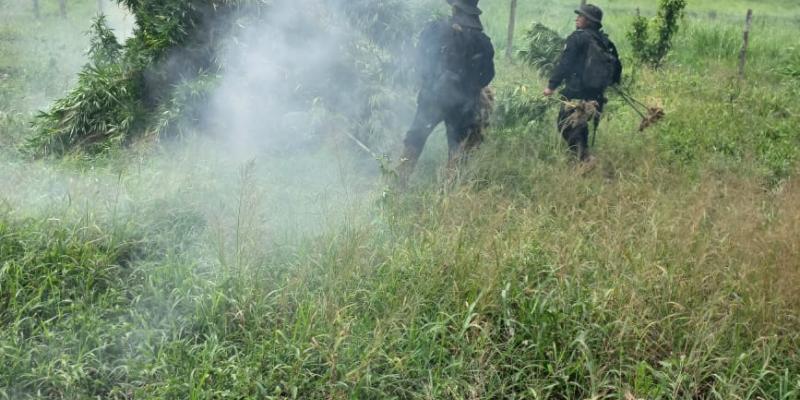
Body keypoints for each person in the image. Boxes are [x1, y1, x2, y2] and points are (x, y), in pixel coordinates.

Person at [397, 0, 495, 185]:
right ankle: (448, 195)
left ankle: (397, 186)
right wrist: (470, 89)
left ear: (455, 8)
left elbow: (420, 61)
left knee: (415, 139)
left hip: (432, 98)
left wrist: (428, 83)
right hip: (463, 104)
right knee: (457, 149)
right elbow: (487, 76)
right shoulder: (483, 42)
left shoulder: (434, 30)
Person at [543, 4, 622, 164]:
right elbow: (617, 68)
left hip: (575, 91)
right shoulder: (605, 41)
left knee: (565, 123)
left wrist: (551, 86)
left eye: (581, 16)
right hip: (596, 95)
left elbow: (565, 64)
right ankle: (582, 158)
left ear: (589, 21)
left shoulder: (577, 37)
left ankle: (585, 159)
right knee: (580, 124)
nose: (577, 18)